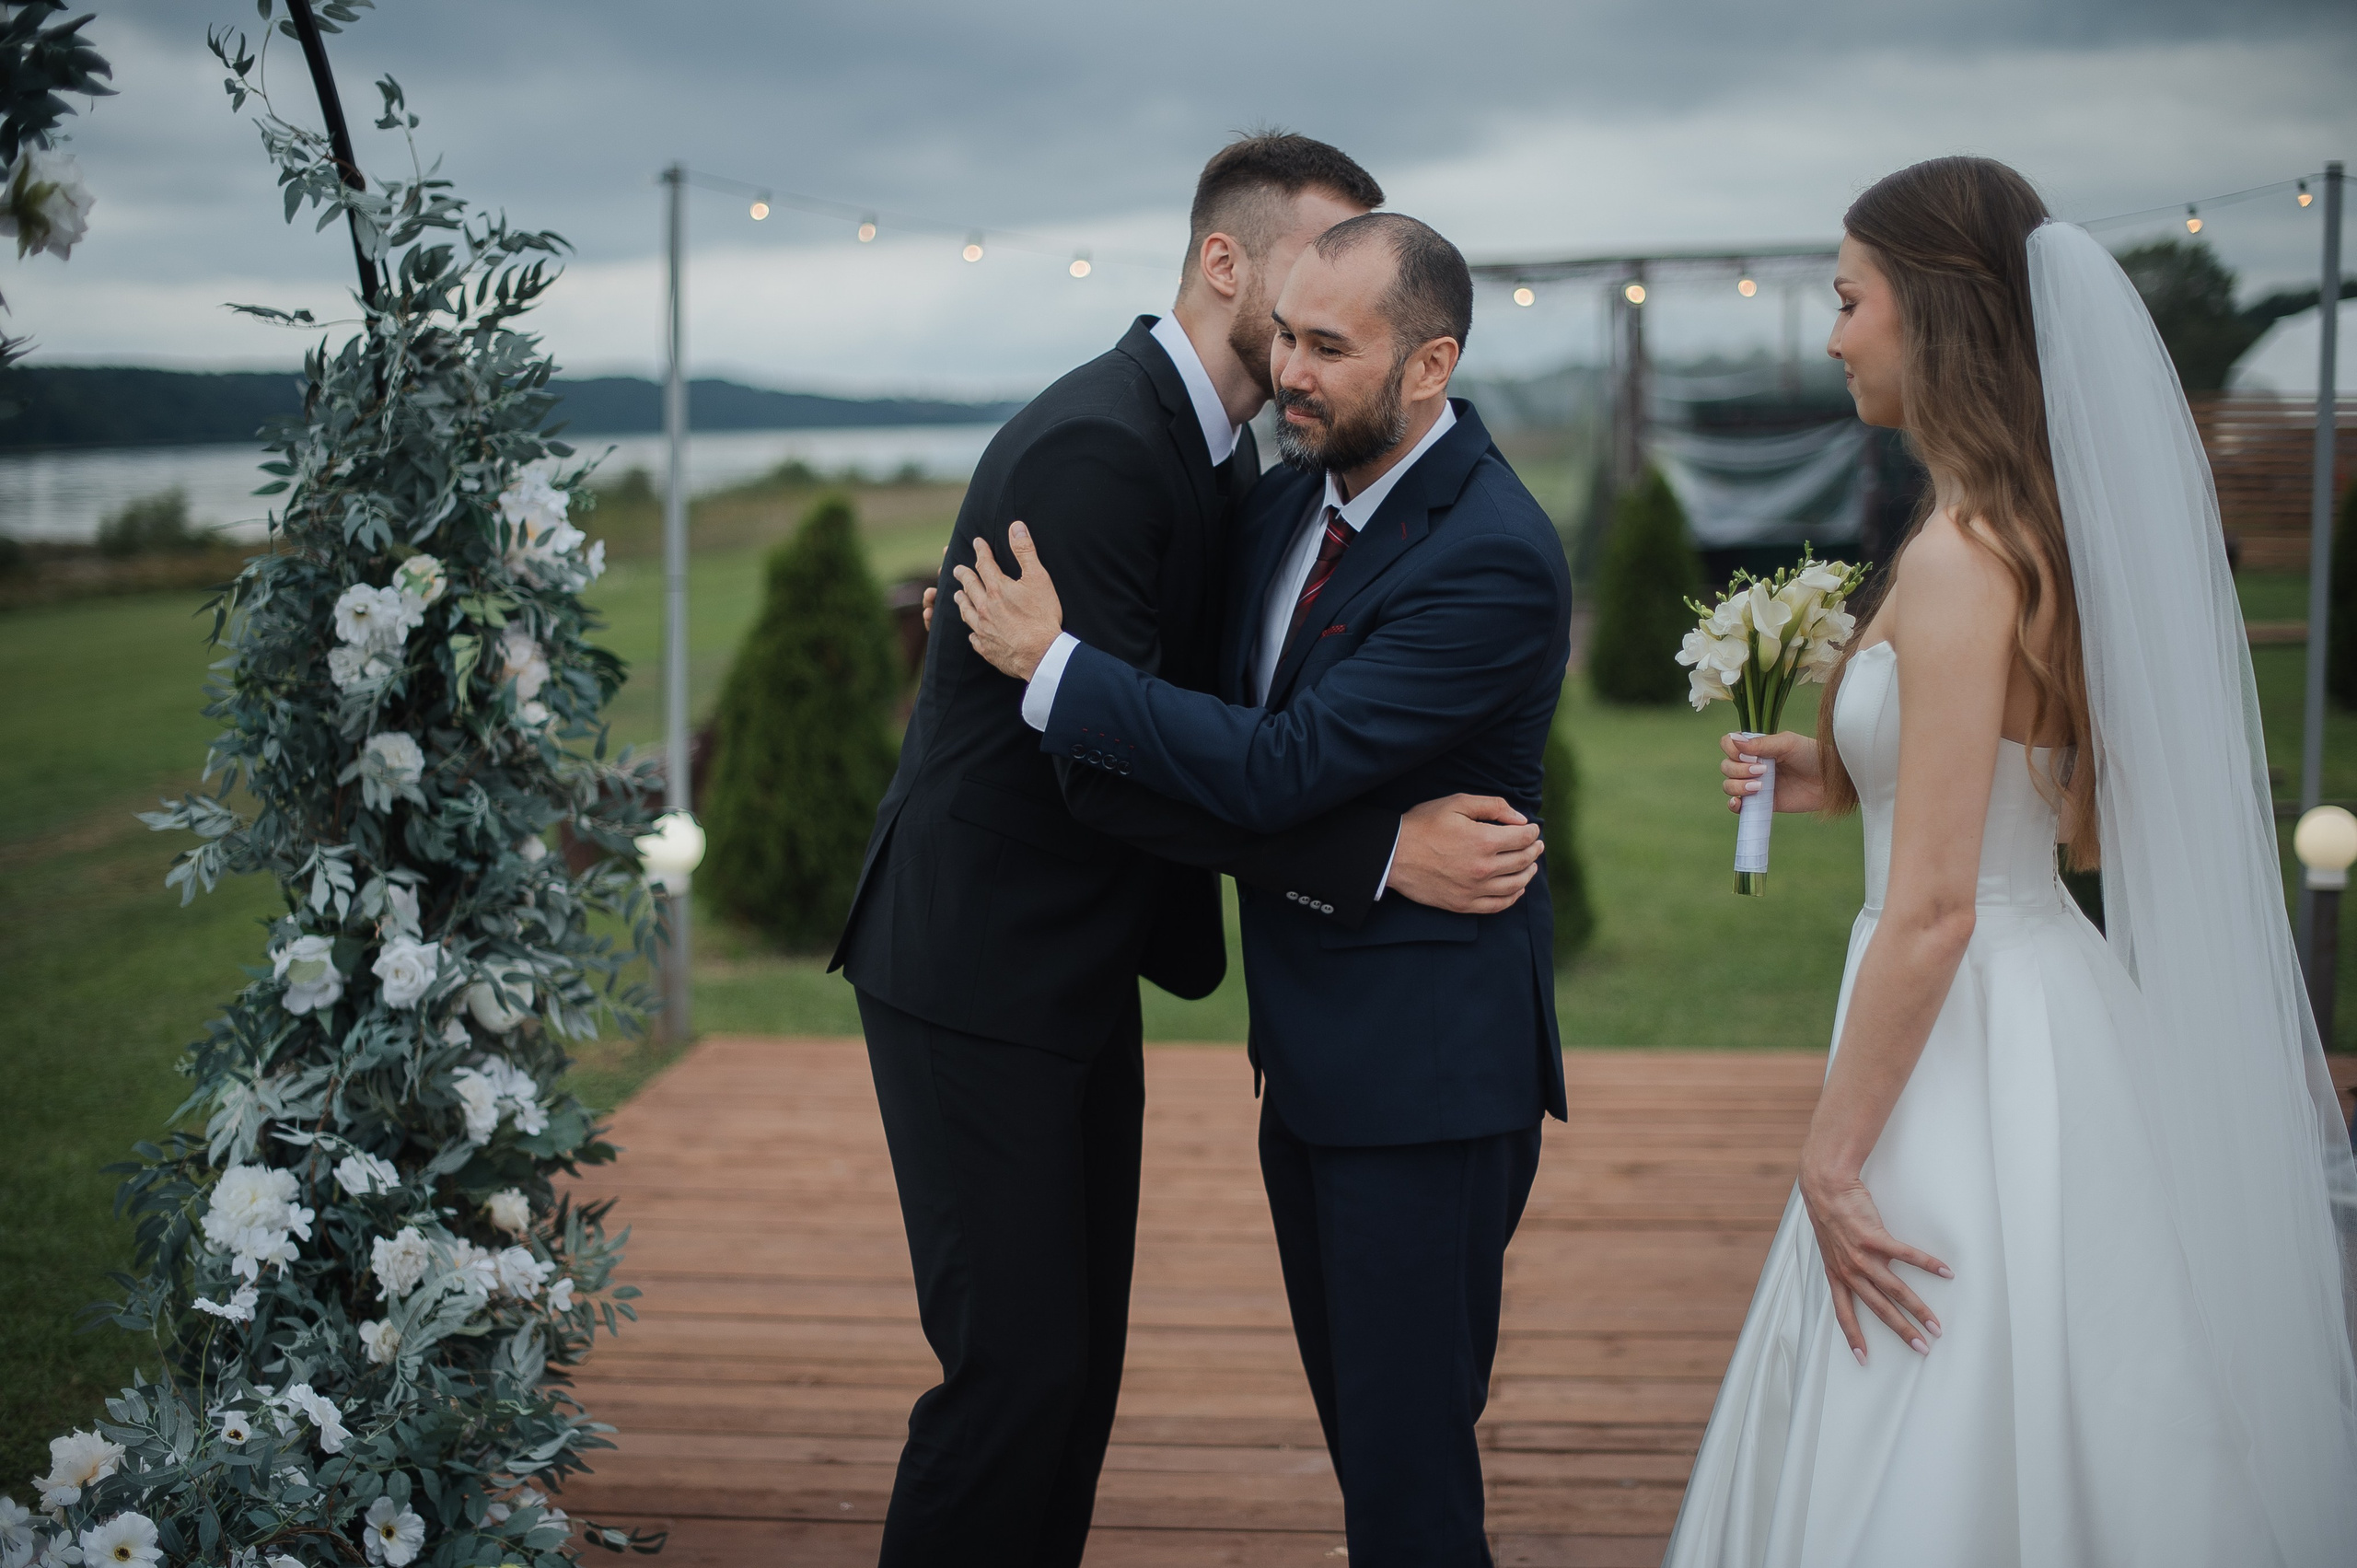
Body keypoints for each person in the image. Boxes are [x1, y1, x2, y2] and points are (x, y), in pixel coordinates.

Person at [829, 135, 1545, 1567]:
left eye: (1338, 326)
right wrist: (1372, 855)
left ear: (1426, 360)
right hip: (985, 968)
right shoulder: (1112, 445)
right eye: (1302, 295)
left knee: (1070, 1374)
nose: (1301, 345)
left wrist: (1077, 675)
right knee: (1020, 1379)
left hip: (1087, 976)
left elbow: (1224, 725)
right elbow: (1101, 767)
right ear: (1228, 262)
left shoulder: (1250, 471)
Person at [1662, 157, 2357, 1565]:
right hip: (2046, 998)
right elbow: (2010, 786)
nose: (1839, 332)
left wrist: (1834, 1155)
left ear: (1931, 314)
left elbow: (1930, 911)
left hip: (1964, 1022)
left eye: (1852, 300)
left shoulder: (1956, 558)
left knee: (1928, 1374)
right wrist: (1839, 771)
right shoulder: (2025, 531)